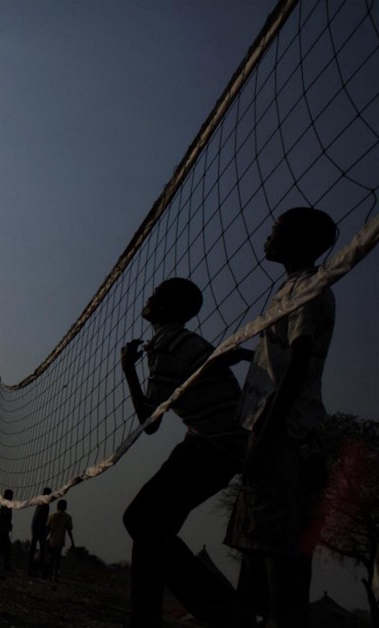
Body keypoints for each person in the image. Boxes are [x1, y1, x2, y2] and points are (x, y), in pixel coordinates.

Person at [229, 206, 340, 627]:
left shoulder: (310, 287)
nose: (268, 234)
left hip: (286, 438)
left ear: (296, 242)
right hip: (280, 435)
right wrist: (248, 357)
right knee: (258, 555)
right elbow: (285, 361)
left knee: (281, 561)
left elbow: (298, 365)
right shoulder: (291, 288)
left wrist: (265, 433)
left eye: (276, 229)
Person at [119, 278, 251, 627]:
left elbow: (150, 422)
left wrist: (128, 369)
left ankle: (227, 612)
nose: (148, 298)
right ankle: (146, 619)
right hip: (218, 445)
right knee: (152, 534)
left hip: (213, 445)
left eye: (156, 295)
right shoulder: (184, 341)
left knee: (140, 520)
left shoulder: (166, 344)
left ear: (166, 306)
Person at [46, 499, 75, 581]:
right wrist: (72, 542)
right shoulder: (67, 517)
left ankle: (49, 576)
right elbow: (69, 531)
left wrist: (44, 538)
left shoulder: (52, 516)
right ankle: (55, 577)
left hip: (52, 540)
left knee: (51, 558)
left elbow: (48, 529)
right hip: (60, 540)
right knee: (57, 559)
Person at [27, 487, 52, 576]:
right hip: (39, 529)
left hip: (37, 528)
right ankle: (36, 569)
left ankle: (33, 569)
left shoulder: (41, 502)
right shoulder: (43, 503)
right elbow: (38, 517)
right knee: (40, 549)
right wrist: (40, 530)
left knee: (36, 548)